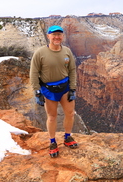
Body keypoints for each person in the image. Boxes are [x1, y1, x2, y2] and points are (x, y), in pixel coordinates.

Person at [30, 25, 78, 158]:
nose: (57, 37)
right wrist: (37, 91)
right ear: (48, 36)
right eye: (54, 34)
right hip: (49, 90)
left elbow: (72, 70)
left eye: (59, 35)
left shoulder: (67, 51)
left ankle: (67, 137)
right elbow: (33, 73)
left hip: (65, 87)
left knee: (70, 113)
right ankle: (52, 142)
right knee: (52, 117)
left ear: (62, 36)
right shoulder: (40, 53)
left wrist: (73, 88)